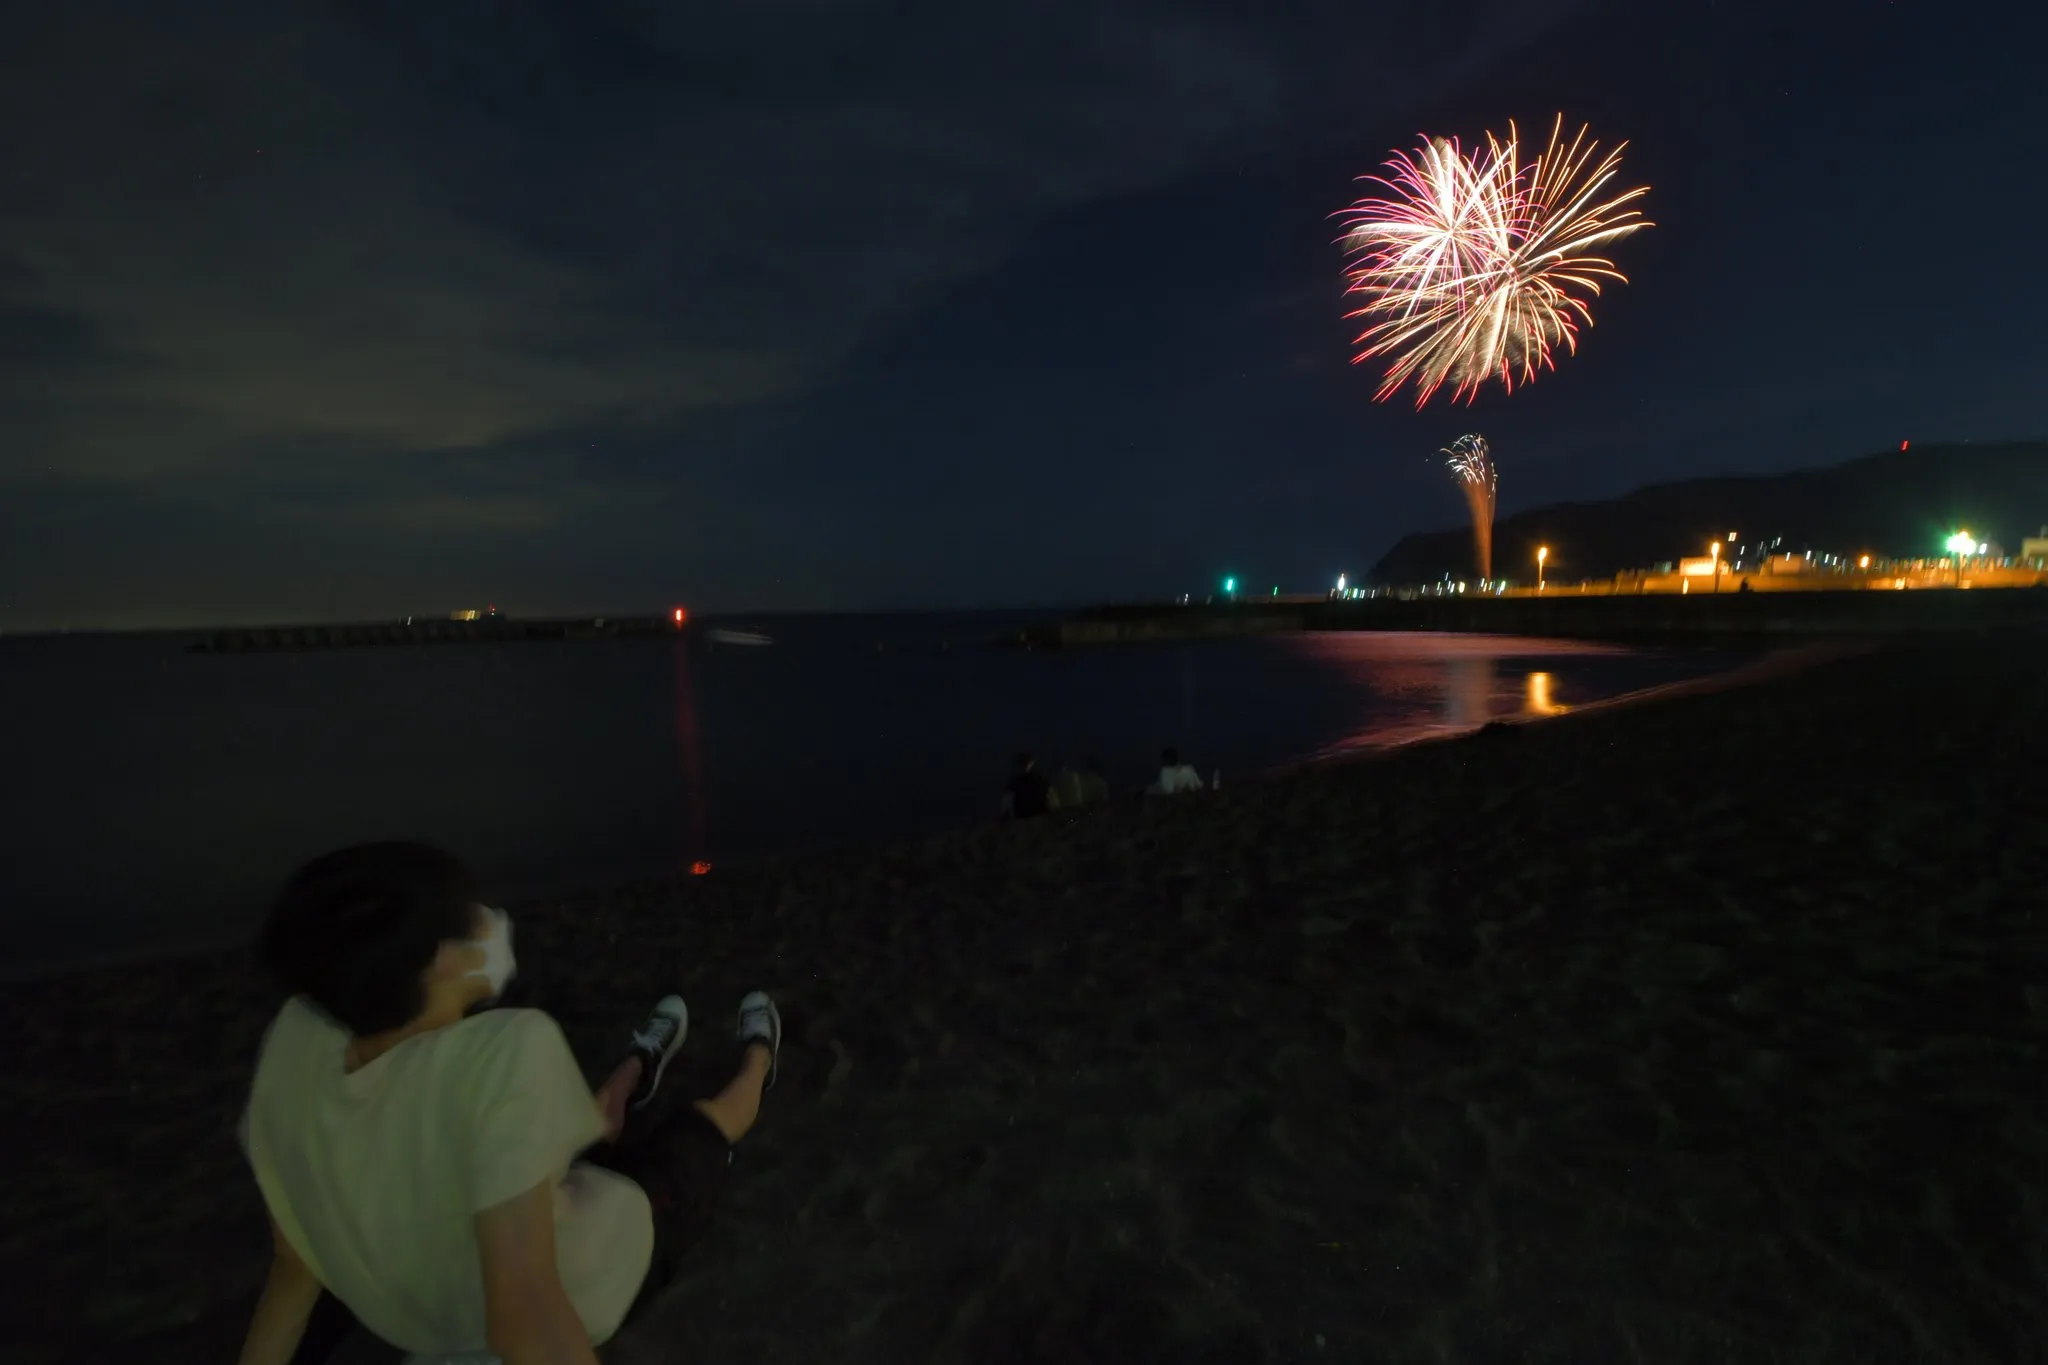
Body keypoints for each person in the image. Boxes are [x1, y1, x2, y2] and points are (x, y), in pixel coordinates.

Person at [236, 842, 782, 1365]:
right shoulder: (505, 1050)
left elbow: (293, 1261)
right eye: (471, 915)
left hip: (451, 1277)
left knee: (588, 1124)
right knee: (706, 1128)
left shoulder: (298, 1036)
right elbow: (528, 1319)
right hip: (603, 1258)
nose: (491, 919)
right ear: (443, 963)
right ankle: (759, 1054)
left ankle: (640, 1063)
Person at [999, 751, 1055, 819]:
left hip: (1027, 817)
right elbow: (1052, 800)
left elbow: (1005, 803)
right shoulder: (1040, 780)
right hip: (1035, 816)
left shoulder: (1015, 782)